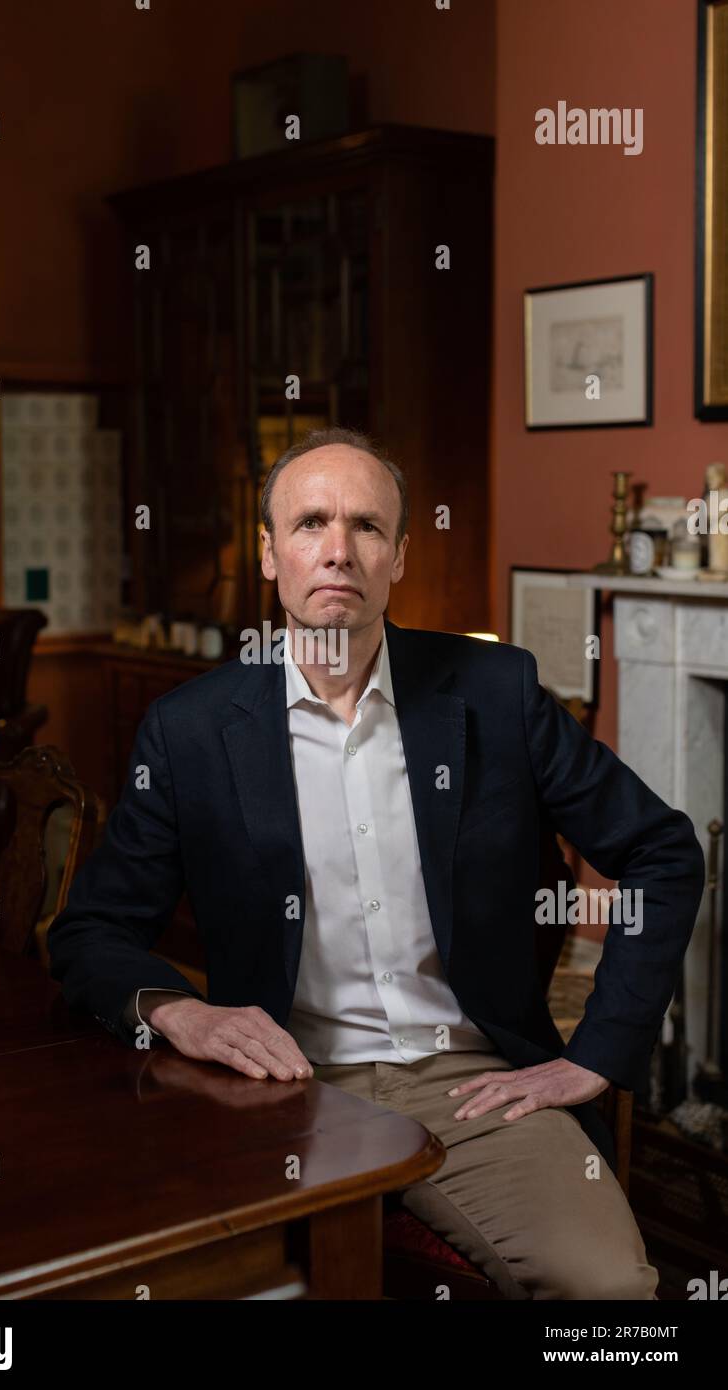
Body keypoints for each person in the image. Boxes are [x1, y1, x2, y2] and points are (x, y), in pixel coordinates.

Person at [47, 426, 705, 1300]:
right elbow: (91, 930)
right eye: (310, 522)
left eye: (365, 527)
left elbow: (662, 850)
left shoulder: (494, 692)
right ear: (270, 552)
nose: (337, 550)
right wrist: (180, 1013)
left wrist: (602, 1050)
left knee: (612, 1296)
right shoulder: (191, 731)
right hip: (275, 1084)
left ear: (397, 555)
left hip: (474, 1085)